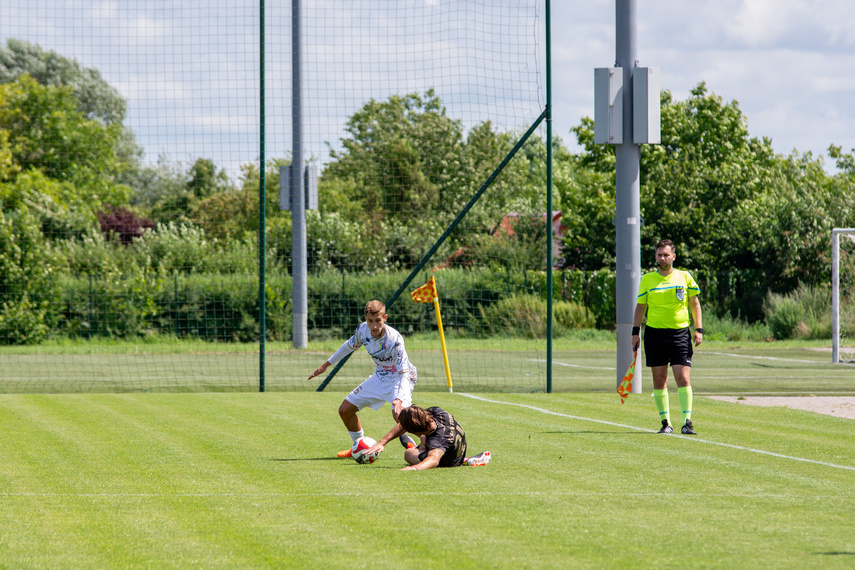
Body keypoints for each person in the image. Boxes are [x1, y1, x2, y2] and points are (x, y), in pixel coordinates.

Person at [308, 300, 417, 458]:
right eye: (370, 321)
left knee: (402, 417)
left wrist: (399, 398)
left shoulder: (395, 339)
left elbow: (404, 374)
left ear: (385, 318)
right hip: (380, 377)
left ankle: (423, 445)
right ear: (365, 318)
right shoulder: (362, 331)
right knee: (345, 410)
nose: (374, 326)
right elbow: (348, 346)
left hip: (400, 378)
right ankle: (358, 447)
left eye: (378, 321)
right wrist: (326, 365)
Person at [632, 239, 703, 435]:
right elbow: (640, 307)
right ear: (655, 257)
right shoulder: (647, 280)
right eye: (659, 255)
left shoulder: (684, 277)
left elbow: (694, 304)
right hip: (655, 335)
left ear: (673, 256)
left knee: (683, 377)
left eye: (665, 255)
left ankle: (686, 422)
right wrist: (635, 332)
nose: (662, 258)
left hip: (680, 334)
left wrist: (699, 329)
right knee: (659, 380)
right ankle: (666, 423)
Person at [365, 405, 491, 470]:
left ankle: (418, 446)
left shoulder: (437, 440)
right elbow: (408, 422)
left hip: (449, 460)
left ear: (418, 432)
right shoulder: (435, 412)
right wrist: (382, 442)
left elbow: (434, 459)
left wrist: (414, 468)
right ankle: (466, 459)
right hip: (457, 449)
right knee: (424, 442)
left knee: (408, 453)